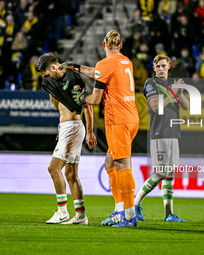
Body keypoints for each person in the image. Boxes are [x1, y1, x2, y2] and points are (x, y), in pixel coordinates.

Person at [63, 30, 140, 227]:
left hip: (118, 121)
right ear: (120, 46)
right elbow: (100, 72)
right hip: (131, 118)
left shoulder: (104, 64)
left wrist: (80, 99)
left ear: (103, 45)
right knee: (110, 163)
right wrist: (77, 68)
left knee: (123, 165)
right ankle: (118, 210)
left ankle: (130, 216)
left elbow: (96, 99)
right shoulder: (126, 61)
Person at [35, 52, 97, 225]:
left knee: (53, 168)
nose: (46, 78)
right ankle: (81, 216)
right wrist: (51, 87)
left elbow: (87, 105)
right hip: (65, 127)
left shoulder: (73, 78)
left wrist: (91, 132)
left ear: (53, 67)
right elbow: (57, 106)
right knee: (71, 175)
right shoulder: (55, 81)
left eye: (46, 73)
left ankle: (62, 212)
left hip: (73, 127)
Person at [134, 54, 189, 222]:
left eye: (163, 66)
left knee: (170, 173)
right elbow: (156, 106)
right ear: (154, 68)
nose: (161, 69)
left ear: (169, 66)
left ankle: (169, 213)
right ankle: (135, 202)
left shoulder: (173, 85)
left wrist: (180, 92)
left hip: (173, 133)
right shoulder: (151, 84)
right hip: (160, 133)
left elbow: (187, 107)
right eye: (158, 66)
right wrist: (174, 93)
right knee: (161, 172)